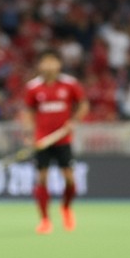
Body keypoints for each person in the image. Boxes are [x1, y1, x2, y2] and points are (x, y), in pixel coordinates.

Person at [21, 50, 88, 234]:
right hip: (42, 140)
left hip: (63, 139)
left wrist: (74, 121)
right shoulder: (33, 87)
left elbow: (83, 104)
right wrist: (29, 134)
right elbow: (28, 112)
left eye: (53, 61)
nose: (49, 65)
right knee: (42, 178)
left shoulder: (70, 84)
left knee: (69, 178)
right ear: (40, 65)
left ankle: (66, 208)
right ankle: (44, 220)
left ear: (59, 64)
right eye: (46, 62)